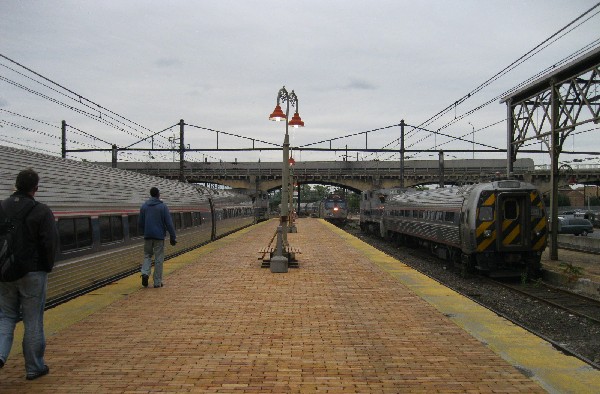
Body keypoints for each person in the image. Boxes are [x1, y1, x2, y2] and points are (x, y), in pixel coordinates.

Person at [0, 169, 58, 380]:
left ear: (15, 185)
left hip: (4, 273)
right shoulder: (41, 210)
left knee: (5, 317)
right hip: (33, 272)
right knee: (33, 320)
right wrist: (47, 267)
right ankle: (34, 367)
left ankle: (0, 355)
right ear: (35, 188)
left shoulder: (1, 207)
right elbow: (49, 243)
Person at [138, 187, 176, 288]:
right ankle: (157, 282)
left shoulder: (144, 206)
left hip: (148, 236)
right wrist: (173, 236)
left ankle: (145, 273)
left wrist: (145, 231)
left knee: (147, 255)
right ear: (158, 194)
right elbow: (169, 223)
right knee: (159, 258)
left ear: (151, 194)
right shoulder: (162, 207)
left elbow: (140, 223)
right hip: (159, 237)